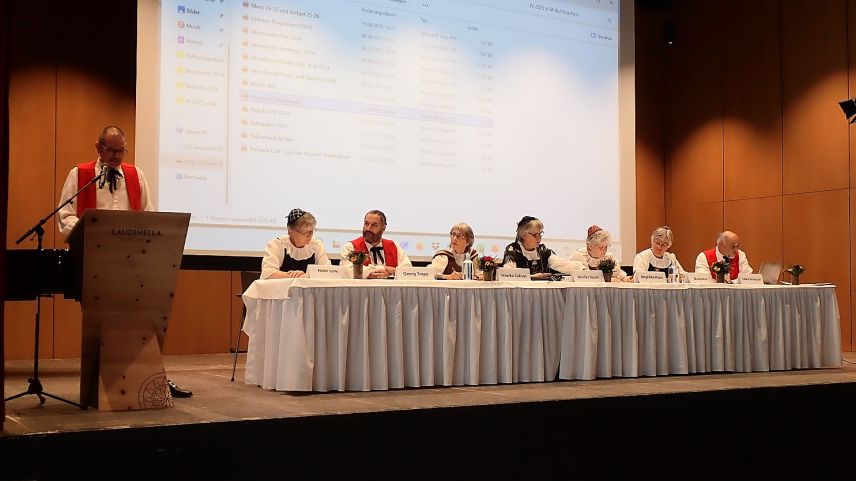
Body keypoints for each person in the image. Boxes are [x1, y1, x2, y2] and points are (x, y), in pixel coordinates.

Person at [56, 126, 192, 399]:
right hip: (94, 264)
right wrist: (86, 230)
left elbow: (148, 214)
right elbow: (65, 214)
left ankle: (146, 378)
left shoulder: (136, 175)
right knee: (99, 324)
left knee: (138, 321)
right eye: (111, 150)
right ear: (99, 147)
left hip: (133, 265)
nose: (116, 156)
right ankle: (100, 387)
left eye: (121, 150)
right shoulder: (80, 174)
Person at [502, 216, 585, 278]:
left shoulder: (543, 251)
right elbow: (507, 273)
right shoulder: (513, 250)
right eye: (535, 235)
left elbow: (561, 264)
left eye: (540, 234)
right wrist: (532, 277)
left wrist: (582, 269)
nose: (539, 237)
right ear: (523, 235)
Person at [340, 210, 412, 278]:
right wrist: (384, 268)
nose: (368, 228)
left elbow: (408, 271)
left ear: (383, 228)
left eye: (374, 225)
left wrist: (392, 272)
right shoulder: (350, 247)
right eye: (366, 223)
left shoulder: (394, 246)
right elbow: (347, 272)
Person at [261, 208, 331, 279]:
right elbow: (267, 274)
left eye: (311, 231)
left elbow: (327, 272)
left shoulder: (316, 245)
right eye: (305, 232)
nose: (310, 236)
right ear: (290, 231)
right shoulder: (278, 245)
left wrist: (305, 276)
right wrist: (293, 276)